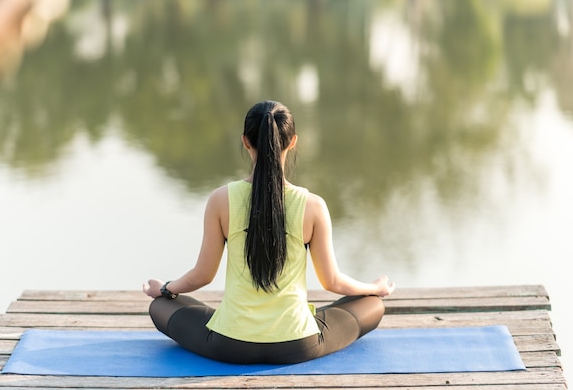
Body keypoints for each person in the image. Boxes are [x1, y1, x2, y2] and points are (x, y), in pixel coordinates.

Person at [143, 100, 395, 364]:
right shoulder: (313, 206)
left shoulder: (220, 200)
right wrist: (374, 287)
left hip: (230, 345)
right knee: (372, 304)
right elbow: (332, 282)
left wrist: (165, 288)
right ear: (293, 141)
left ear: (245, 142)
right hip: (298, 345)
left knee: (161, 305)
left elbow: (202, 276)